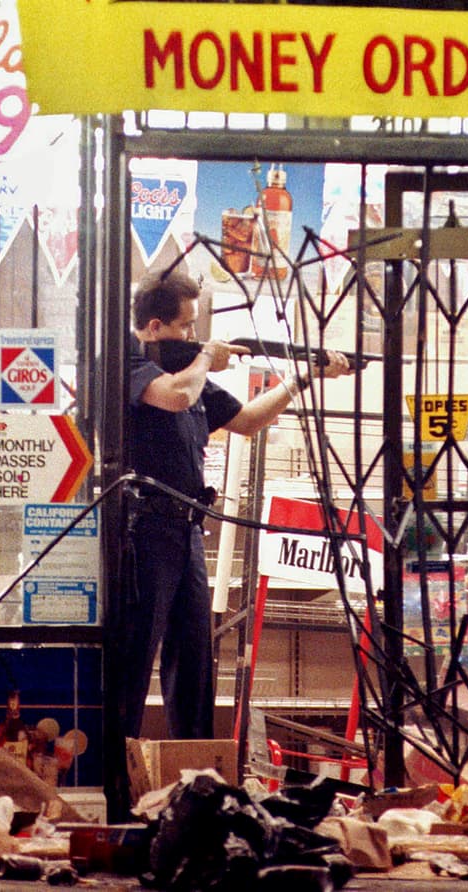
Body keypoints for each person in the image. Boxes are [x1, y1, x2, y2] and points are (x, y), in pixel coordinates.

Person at [123, 266, 351, 740]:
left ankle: (198, 767)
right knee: (133, 657)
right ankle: (114, 773)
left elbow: (247, 420)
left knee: (194, 662)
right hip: (143, 532)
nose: (192, 334)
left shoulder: (188, 373)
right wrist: (206, 355)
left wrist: (303, 377)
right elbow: (177, 396)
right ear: (153, 328)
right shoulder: (133, 362)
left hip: (186, 530)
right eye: (185, 325)